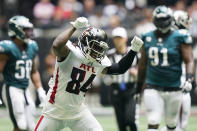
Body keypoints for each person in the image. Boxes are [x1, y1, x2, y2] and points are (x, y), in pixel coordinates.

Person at [34, 17, 143, 131]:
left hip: (77, 111)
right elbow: (56, 45)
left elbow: (119, 68)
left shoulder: (98, 62)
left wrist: (133, 50)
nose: (98, 52)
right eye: (96, 46)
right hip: (54, 110)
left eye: (101, 49)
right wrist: (74, 27)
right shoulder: (70, 53)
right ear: (84, 42)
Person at [136, 6, 195, 131]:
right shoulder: (147, 36)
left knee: (174, 124)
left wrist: (189, 78)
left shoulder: (180, 37)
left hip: (176, 86)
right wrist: (138, 88)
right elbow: (142, 65)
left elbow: (189, 60)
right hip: (153, 86)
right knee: (153, 120)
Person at [0, 16, 46, 131]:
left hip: (26, 89)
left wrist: (40, 90)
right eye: (26, 30)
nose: (29, 32)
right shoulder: (8, 48)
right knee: (21, 125)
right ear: (17, 30)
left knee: (31, 127)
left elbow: (34, 70)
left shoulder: (32, 46)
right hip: (12, 89)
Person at [161, 10, 193, 131]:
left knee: (181, 124)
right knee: (177, 125)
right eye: (184, 20)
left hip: (182, 82)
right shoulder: (176, 36)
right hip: (176, 84)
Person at [107, 27, 138, 131]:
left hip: (131, 89)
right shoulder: (109, 54)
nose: (117, 40)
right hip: (116, 89)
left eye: (120, 38)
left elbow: (143, 68)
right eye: (115, 38)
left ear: (125, 39)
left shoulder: (134, 53)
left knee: (130, 119)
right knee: (121, 123)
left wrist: (137, 73)